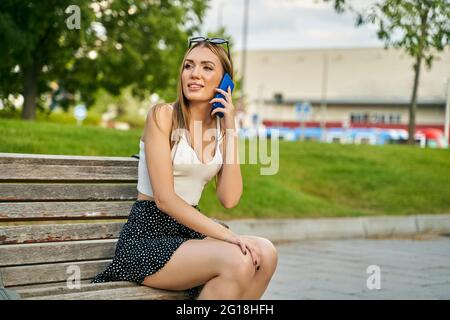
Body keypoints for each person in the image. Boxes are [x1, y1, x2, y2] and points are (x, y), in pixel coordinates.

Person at [91, 37, 278, 300]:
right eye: (189, 66)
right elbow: (165, 199)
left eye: (206, 67)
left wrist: (231, 130)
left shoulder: (220, 130)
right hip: (148, 237)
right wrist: (228, 236)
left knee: (266, 253)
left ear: (226, 82)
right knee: (239, 259)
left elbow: (229, 198)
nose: (194, 74)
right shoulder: (162, 115)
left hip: (189, 237)